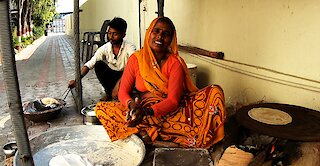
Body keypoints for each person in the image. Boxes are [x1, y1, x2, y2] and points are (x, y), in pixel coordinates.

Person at [95, 17, 226, 148]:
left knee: (215, 92)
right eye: (156, 31)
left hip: (169, 112)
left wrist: (147, 112)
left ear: (171, 39)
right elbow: (123, 92)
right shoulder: (136, 59)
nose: (160, 37)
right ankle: (149, 134)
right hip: (141, 110)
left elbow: (173, 101)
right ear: (149, 33)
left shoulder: (175, 63)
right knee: (101, 108)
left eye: (166, 34)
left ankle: (146, 134)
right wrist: (131, 106)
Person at [68, 17, 136, 101]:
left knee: (132, 73)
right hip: (113, 76)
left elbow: (133, 68)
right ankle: (109, 93)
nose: (111, 37)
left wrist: (119, 85)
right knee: (98, 65)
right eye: (109, 33)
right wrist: (76, 80)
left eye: (115, 34)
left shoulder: (130, 48)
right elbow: (89, 64)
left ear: (123, 35)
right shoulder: (105, 48)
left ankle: (121, 91)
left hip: (126, 77)